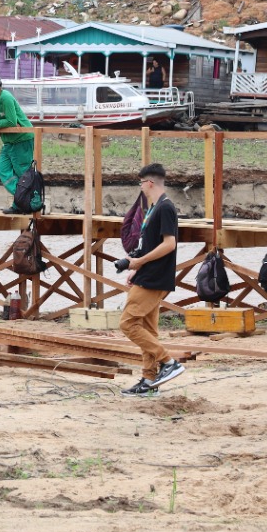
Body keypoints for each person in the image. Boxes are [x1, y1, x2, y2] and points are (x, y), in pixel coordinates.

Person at [113, 163, 185, 396]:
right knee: (147, 330)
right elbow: (149, 245)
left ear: (150, 183)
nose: (141, 187)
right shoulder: (154, 208)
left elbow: (169, 244)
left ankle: (168, 362)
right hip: (147, 274)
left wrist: (140, 263)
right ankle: (149, 381)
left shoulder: (165, 208)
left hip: (155, 277)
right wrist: (135, 267)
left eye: (141, 182)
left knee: (128, 323)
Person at [0, 75, 34, 206]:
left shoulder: (6, 97)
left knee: (22, 172)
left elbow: (10, 121)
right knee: (2, 169)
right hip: (8, 140)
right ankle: (22, 198)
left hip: (22, 138)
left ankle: (27, 201)